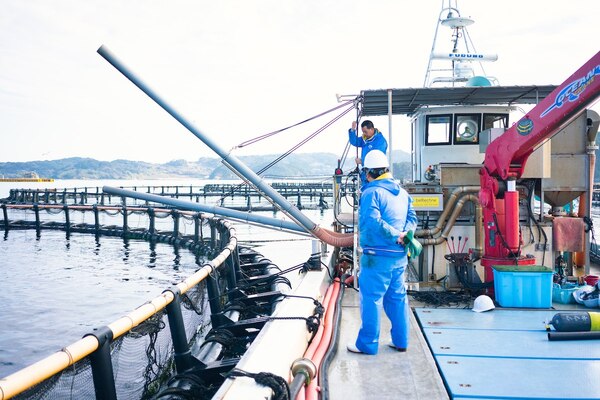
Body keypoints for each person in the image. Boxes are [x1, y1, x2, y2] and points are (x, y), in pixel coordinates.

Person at [347, 149, 418, 355]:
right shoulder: (402, 193)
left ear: (368, 173)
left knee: (371, 299)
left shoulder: (371, 192)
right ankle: (401, 341)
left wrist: (395, 234)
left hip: (377, 257)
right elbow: (412, 218)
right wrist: (405, 234)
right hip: (399, 256)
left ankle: (367, 344)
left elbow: (373, 222)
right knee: (397, 298)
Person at [348, 120, 388, 185]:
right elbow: (355, 141)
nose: (364, 134)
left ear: (371, 129)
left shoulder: (380, 141)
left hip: (376, 173)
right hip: (366, 172)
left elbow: (377, 158)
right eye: (363, 132)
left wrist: (362, 161)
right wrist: (352, 130)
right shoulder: (365, 139)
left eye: (365, 132)